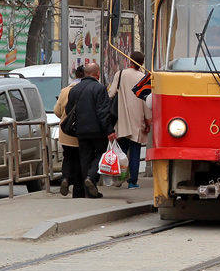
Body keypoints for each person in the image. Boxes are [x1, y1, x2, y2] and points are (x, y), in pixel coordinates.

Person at [65, 62, 115, 199]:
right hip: (98, 130)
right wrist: (109, 130)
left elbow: (68, 110)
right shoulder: (99, 89)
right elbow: (102, 112)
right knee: (100, 153)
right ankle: (91, 177)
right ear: (97, 73)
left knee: (84, 159)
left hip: (80, 130)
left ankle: (87, 192)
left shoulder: (75, 89)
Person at [108, 51, 152, 189]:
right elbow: (146, 101)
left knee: (121, 151)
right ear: (142, 63)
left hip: (122, 120)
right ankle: (132, 181)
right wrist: (148, 121)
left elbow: (111, 93)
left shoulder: (120, 74)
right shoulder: (144, 78)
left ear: (130, 61)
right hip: (137, 120)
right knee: (135, 152)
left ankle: (120, 177)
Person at [53, 65, 87, 197]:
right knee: (79, 160)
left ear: (75, 75)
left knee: (67, 157)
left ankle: (66, 178)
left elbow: (57, 111)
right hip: (80, 131)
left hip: (65, 131)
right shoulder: (85, 89)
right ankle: (78, 191)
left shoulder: (65, 90)